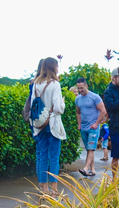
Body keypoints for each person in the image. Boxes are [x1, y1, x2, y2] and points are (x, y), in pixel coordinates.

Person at [29, 57, 66, 195]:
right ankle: (54, 189)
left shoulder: (36, 84)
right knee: (54, 157)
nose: (58, 68)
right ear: (53, 67)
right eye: (56, 66)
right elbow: (58, 108)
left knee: (43, 156)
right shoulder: (55, 84)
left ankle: (44, 189)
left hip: (40, 125)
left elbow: (34, 104)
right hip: (53, 124)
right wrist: (62, 103)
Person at [74, 77, 106, 177]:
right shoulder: (78, 99)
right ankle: (92, 169)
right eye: (78, 88)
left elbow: (103, 111)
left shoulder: (95, 97)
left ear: (86, 86)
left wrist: (96, 124)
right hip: (83, 128)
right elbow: (78, 112)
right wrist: (79, 124)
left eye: (82, 88)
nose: (80, 90)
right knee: (88, 149)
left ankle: (85, 168)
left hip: (93, 128)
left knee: (91, 148)